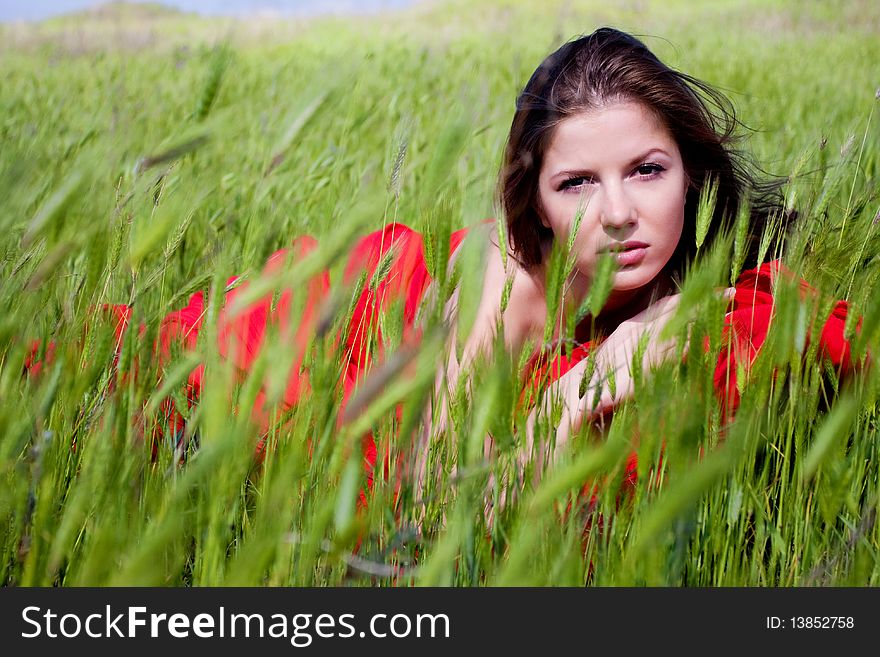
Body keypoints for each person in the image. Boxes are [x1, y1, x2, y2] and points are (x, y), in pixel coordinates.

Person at [24, 28, 859, 509]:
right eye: (576, 182)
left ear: (690, 169)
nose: (617, 214)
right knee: (102, 401)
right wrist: (596, 377)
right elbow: (429, 493)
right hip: (319, 361)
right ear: (533, 203)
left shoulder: (715, 279)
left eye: (647, 170)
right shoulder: (508, 280)